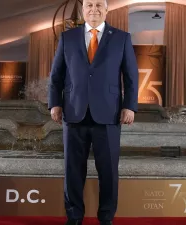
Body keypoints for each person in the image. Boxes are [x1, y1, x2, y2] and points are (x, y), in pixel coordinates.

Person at [47, 0, 139, 224]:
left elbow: (131, 76)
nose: (94, 9)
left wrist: (129, 106)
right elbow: (56, 75)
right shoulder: (67, 38)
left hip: (109, 114)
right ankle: (74, 217)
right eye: (89, 4)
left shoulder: (122, 38)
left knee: (108, 172)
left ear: (107, 10)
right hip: (74, 112)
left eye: (99, 5)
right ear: (83, 9)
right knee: (73, 171)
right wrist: (54, 104)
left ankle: (106, 218)